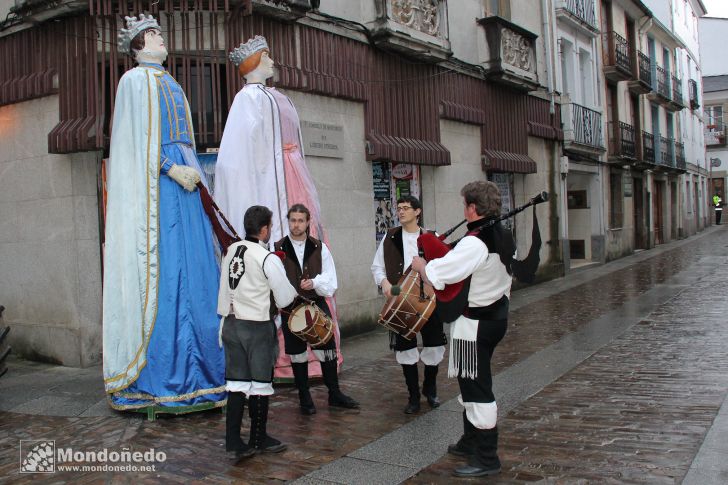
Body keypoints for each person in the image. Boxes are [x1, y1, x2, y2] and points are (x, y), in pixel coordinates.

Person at [102, 15, 225, 411]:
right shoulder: (133, 81)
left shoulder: (172, 82)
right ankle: (162, 374)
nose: (160, 38)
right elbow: (133, 143)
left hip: (188, 188)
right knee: (166, 273)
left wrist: (192, 172)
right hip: (160, 193)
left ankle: (205, 370)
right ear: (138, 46)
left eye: (158, 33)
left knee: (198, 269)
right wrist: (171, 169)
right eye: (152, 34)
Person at [411, 181, 513, 478]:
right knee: (471, 380)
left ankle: (486, 457)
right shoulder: (503, 234)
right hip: (495, 318)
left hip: (475, 324)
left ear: (471, 207)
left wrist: (421, 265)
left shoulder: (476, 242)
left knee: (477, 387)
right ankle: (471, 441)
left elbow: (441, 273)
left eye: (463, 204)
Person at [214, 35, 324, 244]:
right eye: (266, 57)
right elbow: (243, 148)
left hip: (293, 171)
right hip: (272, 172)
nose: (272, 62)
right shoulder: (248, 98)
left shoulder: (276, 95)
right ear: (254, 61)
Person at [218, 205, 298, 459]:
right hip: (256, 326)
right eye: (270, 227)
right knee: (261, 383)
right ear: (264, 229)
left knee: (237, 384)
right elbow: (285, 298)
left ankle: (233, 441)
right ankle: (258, 438)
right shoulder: (267, 257)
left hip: (230, 325)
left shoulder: (230, 250)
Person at [274, 204, 360, 414]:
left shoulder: (320, 248)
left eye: (300, 220)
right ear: (289, 222)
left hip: (316, 303)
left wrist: (314, 283)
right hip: (289, 308)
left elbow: (332, 281)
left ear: (308, 222)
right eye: (293, 220)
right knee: (297, 354)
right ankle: (304, 397)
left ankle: (335, 394)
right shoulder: (277, 248)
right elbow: (272, 278)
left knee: (327, 349)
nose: (296, 225)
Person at [371, 195, 446, 414]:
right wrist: (384, 283)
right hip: (402, 302)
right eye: (399, 208)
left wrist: (434, 283)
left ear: (417, 211)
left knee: (434, 345)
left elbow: (444, 266)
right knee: (406, 348)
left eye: (406, 208)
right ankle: (413, 396)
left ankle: (430, 389)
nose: (401, 212)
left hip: (429, 302)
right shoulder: (390, 237)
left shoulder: (432, 236)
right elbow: (377, 267)